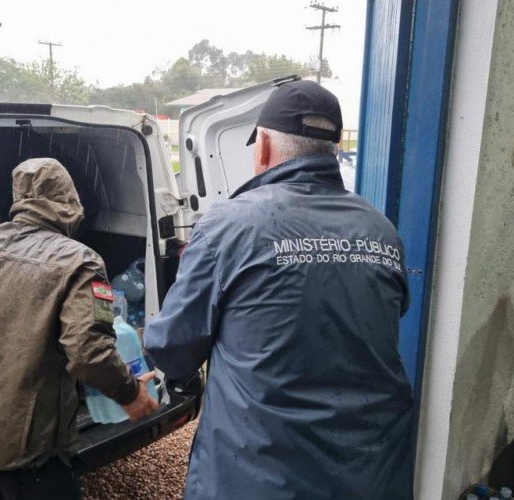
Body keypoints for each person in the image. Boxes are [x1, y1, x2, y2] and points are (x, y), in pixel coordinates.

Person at [144, 80, 414, 499]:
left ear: (264, 146)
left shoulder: (230, 226)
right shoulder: (380, 229)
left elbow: (173, 347)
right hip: (373, 472)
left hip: (262, 475)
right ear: (334, 150)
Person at [0, 158, 158, 500]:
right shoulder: (81, 262)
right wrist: (130, 394)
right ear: (71, 200)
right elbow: (89, 354)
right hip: (27, 448)